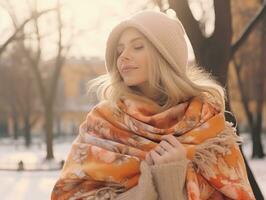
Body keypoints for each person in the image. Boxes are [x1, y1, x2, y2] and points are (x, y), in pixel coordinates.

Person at [51, 10, 255, 200]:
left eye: (137, 46)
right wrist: (147, 188)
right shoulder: (102, 124)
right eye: (119, 50)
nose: (123, 56)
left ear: (165, 56)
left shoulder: (210, 127)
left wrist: (173, 183)